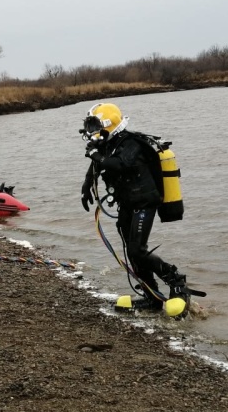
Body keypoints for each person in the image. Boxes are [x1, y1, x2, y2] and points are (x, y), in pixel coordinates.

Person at [79, 102, 189, 312]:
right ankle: (152, 296)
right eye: (89, 126)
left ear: (108, 125)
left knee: (137, 250)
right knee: (132, 251)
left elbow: (119, 164)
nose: (91, 132)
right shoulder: (108, 145)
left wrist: (94, 154)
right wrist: (86, 187)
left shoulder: (131, 143)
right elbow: (97, 164)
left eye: (94, 125)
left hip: (145, 202)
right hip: (127, 203)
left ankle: (177, 282)